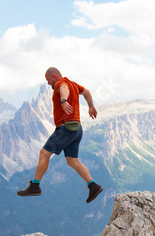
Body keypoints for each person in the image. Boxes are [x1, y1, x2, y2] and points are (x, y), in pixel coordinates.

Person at [17, 67, 104, 203]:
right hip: (77, 129)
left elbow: (63, 87)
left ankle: (35, 186)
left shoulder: (60, 83)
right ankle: (93, 186)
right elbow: (86, 92)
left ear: (53, 76)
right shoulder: (74, 84)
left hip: (66, 128)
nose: (48, 83)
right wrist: (91, 106)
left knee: (44, 153)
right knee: (72, 161)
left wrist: (63, 100)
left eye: (48, 80)